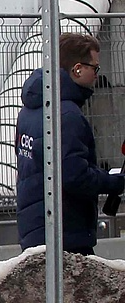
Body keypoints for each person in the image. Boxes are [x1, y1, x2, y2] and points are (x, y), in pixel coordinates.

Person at [16, 31, 125, 252]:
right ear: (77, 69)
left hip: (35, 228)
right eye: (94, 68)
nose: (97, 75)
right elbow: (75, 176)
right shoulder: (66, 115)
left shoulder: (31, 109)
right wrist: (116, 182)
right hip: (65, 232)